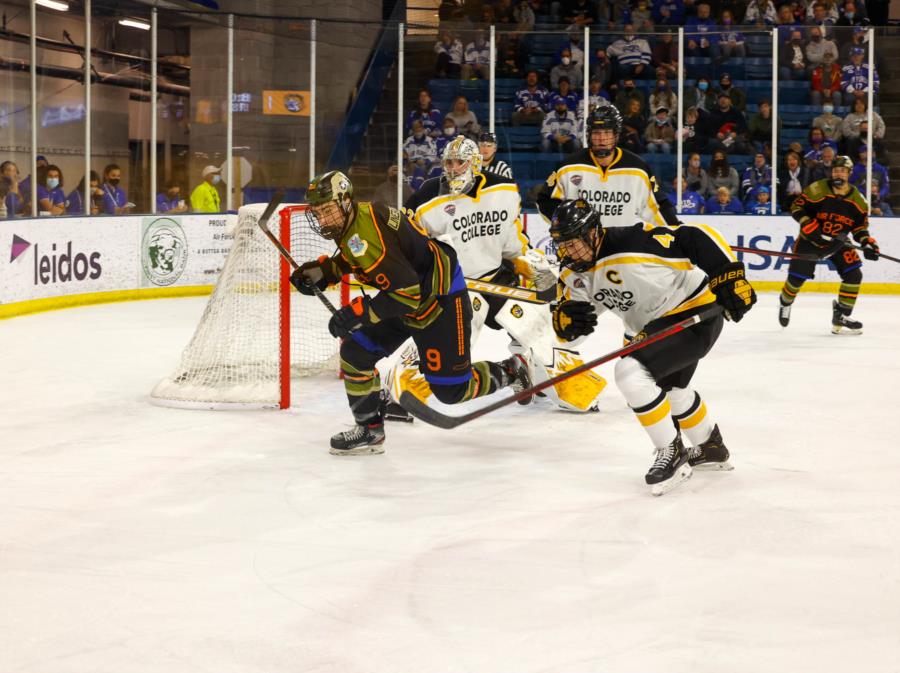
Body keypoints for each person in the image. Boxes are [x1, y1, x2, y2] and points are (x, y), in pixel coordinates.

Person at [288, 170, 533, 454]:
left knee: (452, 391)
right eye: (317, 212)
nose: (323, 219)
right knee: (356, 353)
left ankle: (511, 370)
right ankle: (370, 430)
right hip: (407, 296)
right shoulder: (355, 220)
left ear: (345, 201)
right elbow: (358, 257)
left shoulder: (366, 233)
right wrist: (326, 270)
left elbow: (406, 295)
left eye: (328, 210)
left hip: (438, 301)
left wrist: (357, 313)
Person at [383, 136, 605, 419]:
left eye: (459, 162)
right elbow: (406, 241)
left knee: (537, 328)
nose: (452, 168)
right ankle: (400, 392)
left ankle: (554, 382)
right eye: (448, 162)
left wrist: (533, 267)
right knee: (446, 337)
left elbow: (513, 242)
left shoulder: (502, 189)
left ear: (474, 163)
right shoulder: (427, 196)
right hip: (456, 287)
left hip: (498, 281)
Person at [549, 198, 756, 495]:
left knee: (630, 373)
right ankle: (710, 447)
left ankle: (672, 454)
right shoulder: (572, 274)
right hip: (649, 327)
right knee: (673, 392)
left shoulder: (634, 241)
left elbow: (694, 236)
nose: (568, 252)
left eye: (574, 242)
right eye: (562, 245)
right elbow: (569, 334)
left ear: (593, 232)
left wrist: (730, 274)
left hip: (693, 312)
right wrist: (565, 323)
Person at [778, 155, 878, 334]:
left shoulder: (859, 200)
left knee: (854, 274)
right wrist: (807, 223)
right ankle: (785, 303)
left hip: (837, 242)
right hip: (810, 241)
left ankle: (841, 314)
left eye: (842, 170)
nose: (838, 173)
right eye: (835, 170)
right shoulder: (818, 189)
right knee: (796, 279)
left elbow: (860, 228)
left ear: (849, 173)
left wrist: (868, 243)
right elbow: (797, 207)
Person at [536, 106, 679, 227]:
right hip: (580, 250)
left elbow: (658, 207)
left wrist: (678, 231)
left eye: (607, 133)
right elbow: (545, 201)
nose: (602, 139)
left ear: (616, 135)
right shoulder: (568, 166)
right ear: (589, 135)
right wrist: (566, 223)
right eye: (597, 133)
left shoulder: (638, 169)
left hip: (621, 250)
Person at [402, 121, 439, 190]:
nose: (418, 130)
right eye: (416, 128)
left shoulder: (429, 140)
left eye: (419, 128)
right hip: (411, 163)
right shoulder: (409, 140)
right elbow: (403, 152)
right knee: (409, 169)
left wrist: (425, 161)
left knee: (421, 169)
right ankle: (410, 189)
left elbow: (433, 155)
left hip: (425, 164)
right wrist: (405, 158)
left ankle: (419, 188)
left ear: (423, 129)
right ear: (413, 130)